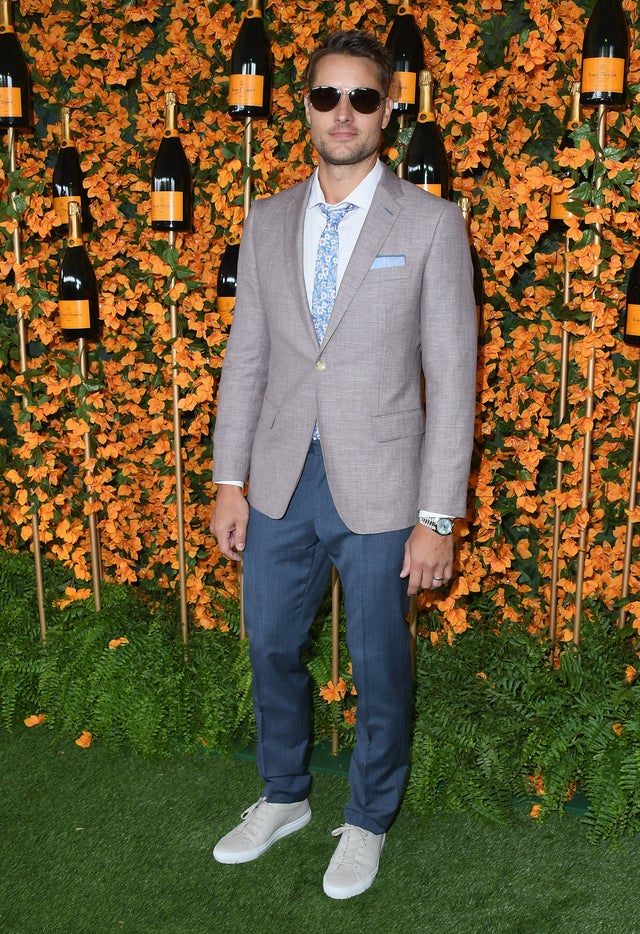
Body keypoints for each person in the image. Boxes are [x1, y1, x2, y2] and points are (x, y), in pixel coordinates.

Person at [210, 29, 477, 900]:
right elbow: (246, 355)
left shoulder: (433, 225)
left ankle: (365, 819)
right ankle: (284, 795)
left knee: (379, 661)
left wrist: (438, 516)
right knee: (271, 645)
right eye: (327, 97)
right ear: (307, 107)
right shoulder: (268, 216)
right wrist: (227, 479)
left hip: (386, 483)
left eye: (362, 99)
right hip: (282, 475)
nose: (343, 114)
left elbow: (452, 373)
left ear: (387, 112)